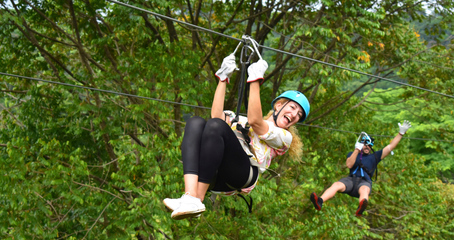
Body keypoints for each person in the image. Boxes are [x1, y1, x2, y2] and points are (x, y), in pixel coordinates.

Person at [163, 53, 310, 220]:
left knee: (217, 126)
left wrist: (254, 80)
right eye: (292, 107)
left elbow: (256, 121)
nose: (294, 114)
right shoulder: (244, 122)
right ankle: (190, 196)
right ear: (278, 106)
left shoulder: (284, 138)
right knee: (196, 122)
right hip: (217, 171)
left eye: (298, 114)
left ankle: (197, 199)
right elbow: (217, 117)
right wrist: (223, 79)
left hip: (243, 173)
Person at [310, 121, 412, 216]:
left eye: (369, 145)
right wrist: (357, 150)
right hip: (351, 180)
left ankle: (361, 206)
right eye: (365, 144)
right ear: (361, 144)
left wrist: (401, 133)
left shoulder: (375, 157)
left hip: (364, 182)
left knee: (364, 189)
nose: (367, 147)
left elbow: (390, 146)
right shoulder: (353, 154)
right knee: (336, 184)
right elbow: (349, 165)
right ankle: (320, 201)